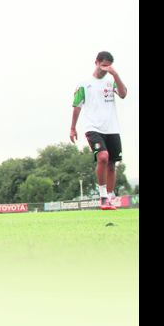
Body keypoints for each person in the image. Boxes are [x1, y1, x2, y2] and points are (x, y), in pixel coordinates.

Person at [69, 51, 128, 210]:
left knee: (111, 164)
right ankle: (102, 197)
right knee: (103, 156)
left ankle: (109, 197)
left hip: (112, 128)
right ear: (96, 62)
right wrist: (73, 127)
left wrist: (115, 74)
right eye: (103, 65)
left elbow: (123, 94)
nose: (105, 69)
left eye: (109, 66)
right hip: (93, 127)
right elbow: (76, 106)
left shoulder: (111, 81)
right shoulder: (84, 83)